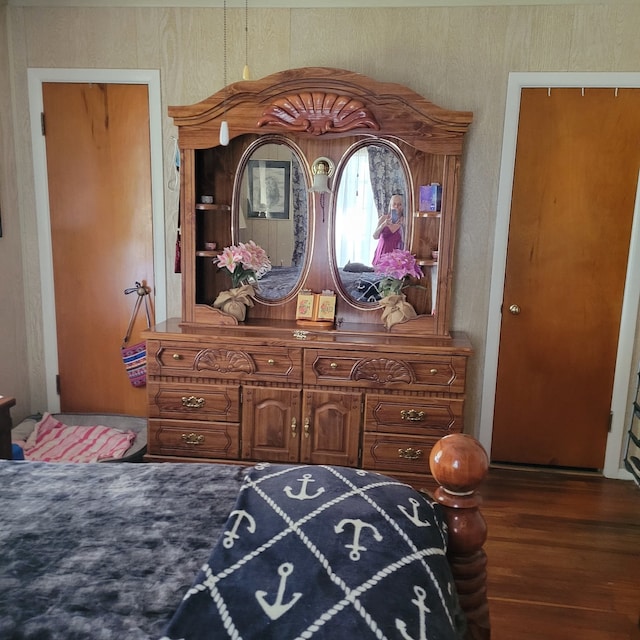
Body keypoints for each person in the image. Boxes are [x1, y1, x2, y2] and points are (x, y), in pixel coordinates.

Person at [372, 194, 405, 265]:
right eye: (394, 204)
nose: (396, 207)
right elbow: (375, 236)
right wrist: (383, 225)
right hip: (381, 255)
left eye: (399, 204)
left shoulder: (405, 221)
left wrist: (402, 225)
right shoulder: (383, 218)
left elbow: (405, 241)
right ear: (390, 205)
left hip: (395, 258)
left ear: (402, 207)